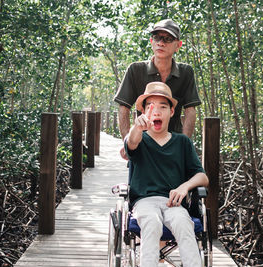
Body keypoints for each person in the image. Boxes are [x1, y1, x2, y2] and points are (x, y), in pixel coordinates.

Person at [124, 81, 209, 267]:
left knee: (184, 223)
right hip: (144, 202)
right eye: (150, 107)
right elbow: (131, 143)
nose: (156, 112)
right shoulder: (139, 139)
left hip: (173, 203)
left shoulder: (182, 142)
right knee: (152, 223)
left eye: (163, 107)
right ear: (143, 112)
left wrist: (184, 186)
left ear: (171, 112)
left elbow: (202, 177)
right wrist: (136, 128)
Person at [114, 18, 201, 160]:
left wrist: (184, 144)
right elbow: (124, 108)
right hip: (142, 143)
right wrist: (128, 143)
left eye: (167, 39)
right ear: (151, 41)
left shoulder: (186, 72)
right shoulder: (135, 70)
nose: (161, 43)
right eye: (157, 37)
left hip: (173, 145)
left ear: (178, 45)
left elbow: (190, 110)